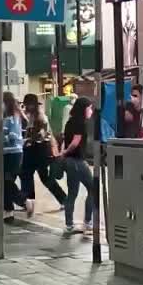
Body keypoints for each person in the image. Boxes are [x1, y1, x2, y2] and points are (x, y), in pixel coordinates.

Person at [59, 97, 97, 236]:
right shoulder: (81, 122)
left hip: (70, 161)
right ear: (84, 108)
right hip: (77, 161)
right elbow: (75, 142)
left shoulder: (70, 121)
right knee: (93, 188)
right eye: (89, 108)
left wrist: (64, 154)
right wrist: (66, 152)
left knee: (72, 193)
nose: (91, 110)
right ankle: (88, 223)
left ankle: (69, 225)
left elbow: (66, 139)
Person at [20, 94, 66, 206]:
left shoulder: (40, 117)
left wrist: (26, 140)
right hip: (35, 149)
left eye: (27, 104)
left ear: (32, 105)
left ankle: (63, 200)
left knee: (38, 176)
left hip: (40, 150)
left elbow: (40, 136)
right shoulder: (32, 115)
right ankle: (29, 201)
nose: (25, 107)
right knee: (28, 174)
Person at [1, 92, 34, 223]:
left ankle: (25, 202)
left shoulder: (13, 117)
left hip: (13, 154)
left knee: (6, 182)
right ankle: (8, 211)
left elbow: (13, 136)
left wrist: (0, 137)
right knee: (4, 183)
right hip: (7, 153)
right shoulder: (7, 117)